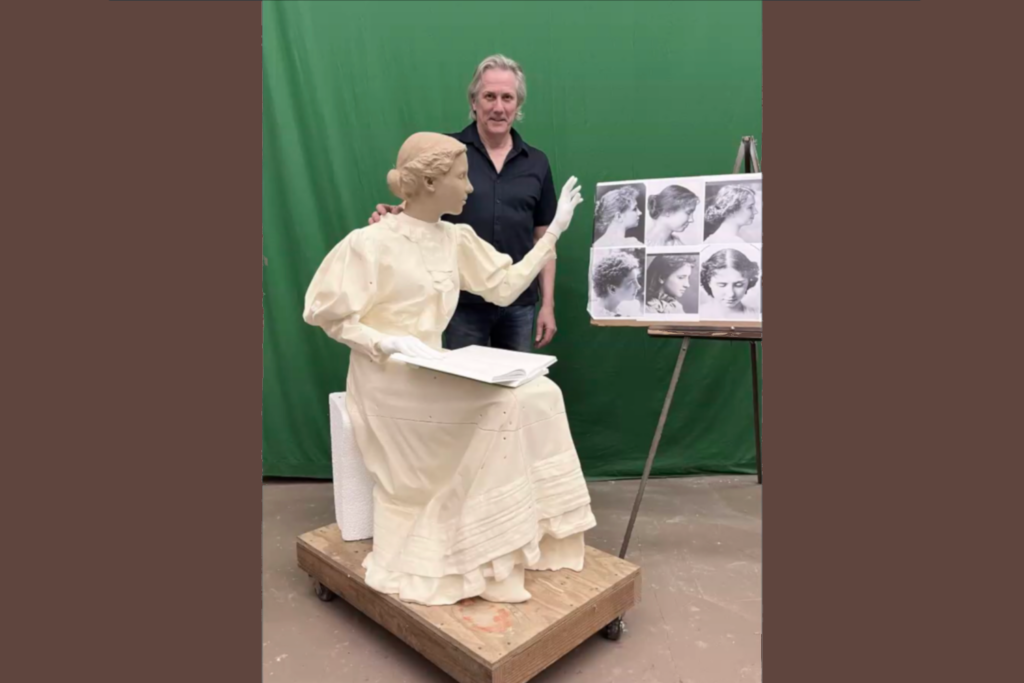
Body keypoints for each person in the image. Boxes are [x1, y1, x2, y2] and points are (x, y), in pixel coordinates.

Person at [304, 132, 594, 606]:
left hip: (432, 367)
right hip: (387, 381)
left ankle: (524, 540)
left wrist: (556, 230)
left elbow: (504, 286)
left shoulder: (456, 239)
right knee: (499, 407)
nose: (471, 188)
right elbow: (327, 313)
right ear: (431, 181)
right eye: (462, 177)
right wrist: (382, 342)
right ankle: (487, 559)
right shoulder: (369, 242)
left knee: (544, 394)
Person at [369, 55, 561, 352]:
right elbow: (417, 209)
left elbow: (545, 240)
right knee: (459, 392)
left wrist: (547, 304)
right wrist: (393, 215)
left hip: (519, 305)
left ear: (517, 105)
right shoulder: (446, 153)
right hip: (457, 302)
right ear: (474, 101)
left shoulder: (537, 163)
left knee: (514, 391)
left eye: (507, 97)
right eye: (489, 96)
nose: (498, 107)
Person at [699, 247, 761, 319]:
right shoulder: (696, 315)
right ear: (708, 281)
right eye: (722, 285)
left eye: (738, 285)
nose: (731, 294)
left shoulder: (757, 316)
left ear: (749, 282)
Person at [590, 250, 642, 318]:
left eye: (636, 280)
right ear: (612, 289)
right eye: (631, 282)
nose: (638, 286)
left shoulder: (631, 307)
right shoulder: (594, 314)